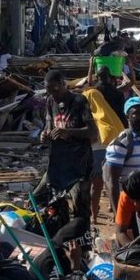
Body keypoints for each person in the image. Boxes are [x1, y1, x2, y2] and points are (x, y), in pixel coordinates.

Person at [40, 70, 98, 222]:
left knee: (80, 206)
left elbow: (93, 132)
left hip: (80, 163)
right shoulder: (50, 101)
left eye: (55, 89)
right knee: (50, 201)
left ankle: (83, 240)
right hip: (59, 163)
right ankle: (62, 237)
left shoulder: (79, 101)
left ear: (63, 84)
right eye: (49, 91)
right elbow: (49, 125)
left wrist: (68, 132)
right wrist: (45, 134)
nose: (53, 93)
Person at [104, 97, 140, 211]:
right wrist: (118, 215)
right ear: (127, 117)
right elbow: (112, 182)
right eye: (137, 113)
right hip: (130, 207)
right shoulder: (121, 143)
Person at [81, 84, 125, 223]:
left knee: (96, 187)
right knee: (111, 186)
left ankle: (93, 215)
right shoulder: (108, 113)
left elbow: (92, 138)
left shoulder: (89, 115)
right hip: (111, 153)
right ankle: (115, 214)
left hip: (95, 153)